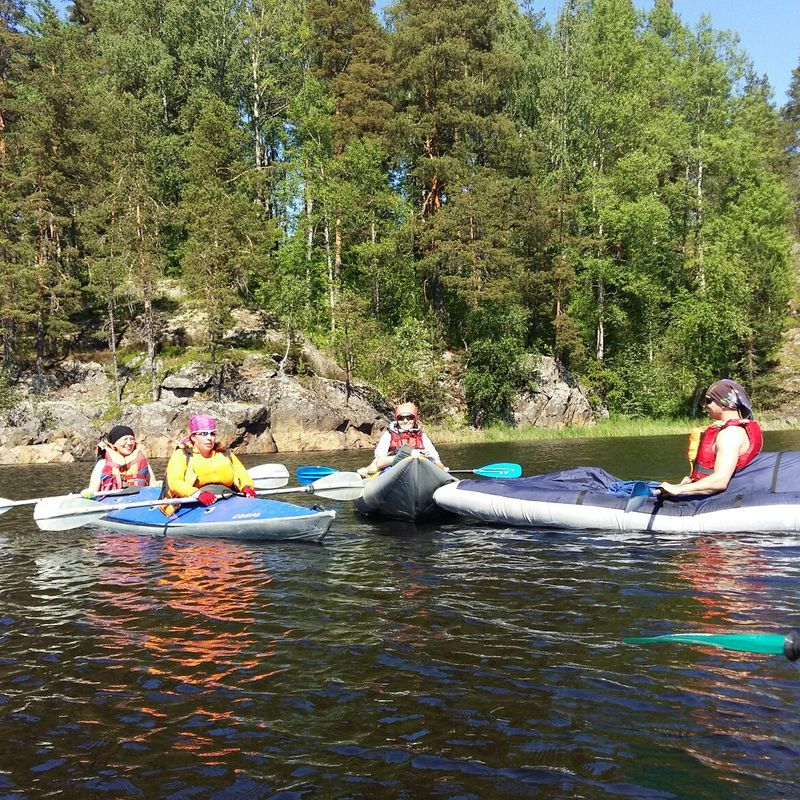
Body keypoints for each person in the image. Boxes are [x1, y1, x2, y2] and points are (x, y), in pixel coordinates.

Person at [659, 379, 762, 498]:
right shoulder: (730, 429)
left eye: (708, 401)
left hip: (720, 499)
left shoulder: (730, 434)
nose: (705, 405)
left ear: (724, 404)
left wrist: (678, 490)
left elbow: (720, 481)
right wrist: (688, 484)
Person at [161, 414, 256, 509]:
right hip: (192, 500)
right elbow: (175, 482)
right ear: (193, 437)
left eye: (212, 434)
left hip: (226, 496)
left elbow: (243, 475)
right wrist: (197, 493)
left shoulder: (225, 454)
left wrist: (246, 486)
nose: (209, 438)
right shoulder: (181, 455)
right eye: (203, 434)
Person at [359, 402, 445, 477]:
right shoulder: (388, 435)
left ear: (415, 419)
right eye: (401, 418)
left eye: (409, 417)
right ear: (397, 419)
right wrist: (406, 456)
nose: (405, 421)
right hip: (393, 470)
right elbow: (379, 462)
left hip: (420, 470)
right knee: (374, 466)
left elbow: (440, 465)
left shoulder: (422, 437)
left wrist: (425, 458)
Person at [86, 425, 156, 493]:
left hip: (140, 501)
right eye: (125, 439)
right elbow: (93, 490)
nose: (129, 443)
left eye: (132, 439)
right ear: (114, 444)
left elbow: (154, 486)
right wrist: (88, 492)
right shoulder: (102, 464)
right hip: (111, 502)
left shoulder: (144, 463)